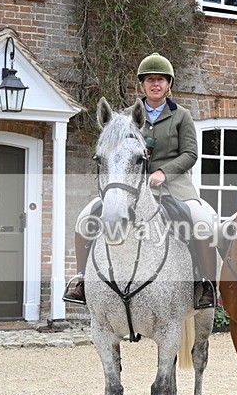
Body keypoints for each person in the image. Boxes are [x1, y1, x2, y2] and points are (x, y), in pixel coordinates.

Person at [63, 53, 217, 309]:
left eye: (160, 80)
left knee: (200, 221)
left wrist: (163, 173)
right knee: (85, 217)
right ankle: (82, 279)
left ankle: (205, 284)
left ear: (169, 84)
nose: (155, 84)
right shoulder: (123, 117)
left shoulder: (182, 116)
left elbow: (190, 154)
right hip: (128, 185)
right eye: (149, 80)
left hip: (172, 185)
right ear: (142, 84)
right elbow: (112, 150)